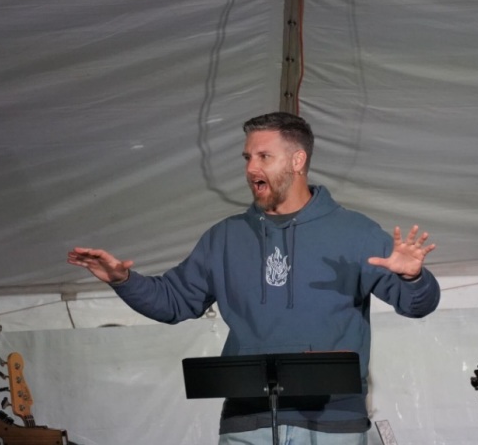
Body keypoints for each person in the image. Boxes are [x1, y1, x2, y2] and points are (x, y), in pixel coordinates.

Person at [67, 112, 440, 445]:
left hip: (333, 424)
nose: (251, 168)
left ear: (298, 160)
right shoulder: (225, 237)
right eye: (248, 157)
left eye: (264, 157)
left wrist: (413, 277)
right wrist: (122, 279)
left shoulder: (354, 232)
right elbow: (173, 302)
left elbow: (417, 305)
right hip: (246, 422)